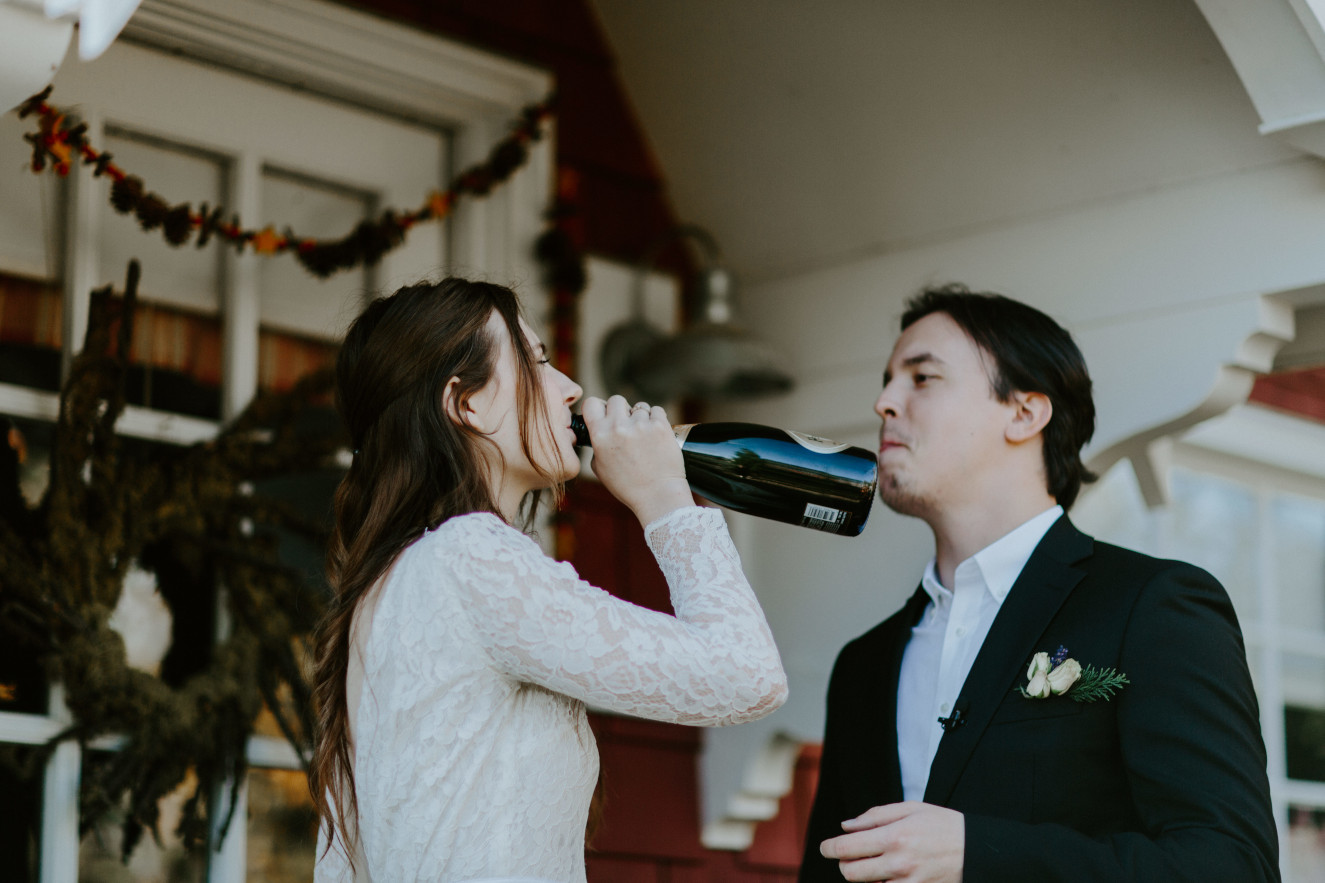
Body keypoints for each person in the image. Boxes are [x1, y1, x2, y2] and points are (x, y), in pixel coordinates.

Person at [309, 277, 788, 883]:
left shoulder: (390, 585)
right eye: (535, 361)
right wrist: (666, 500)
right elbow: (748, 676)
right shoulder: (470, 560)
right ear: (466, 403)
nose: (571, 388)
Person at [799, 284, 1279, 883]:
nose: (884, 402)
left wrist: (980, 854)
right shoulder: (862, 667)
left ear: (1025, 412)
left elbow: (1233, 868)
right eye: (888, 379)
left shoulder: (1152, 608)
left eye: (921, 378)